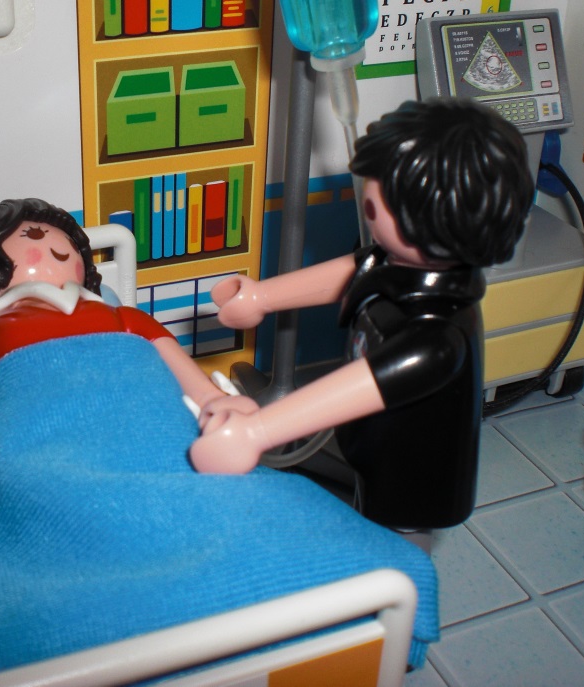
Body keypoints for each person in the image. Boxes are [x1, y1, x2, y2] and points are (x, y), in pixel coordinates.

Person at [191, 99, 535, 529]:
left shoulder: (437, 340)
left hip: (411, 478)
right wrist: (262, 297)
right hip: (370, 445)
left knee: (397, 546)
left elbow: (362, 384)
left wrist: (257, 431)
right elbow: (357, 269)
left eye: (381, 200)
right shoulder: (396, 262)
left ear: (442, 217)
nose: (367, 201)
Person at [0, 198, 255, 526]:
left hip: (148, 425)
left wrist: (212, 401)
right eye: (33, 236)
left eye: (68, 242)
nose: (57, 247)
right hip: (45, 445)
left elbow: (176, 365)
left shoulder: (124, 318)